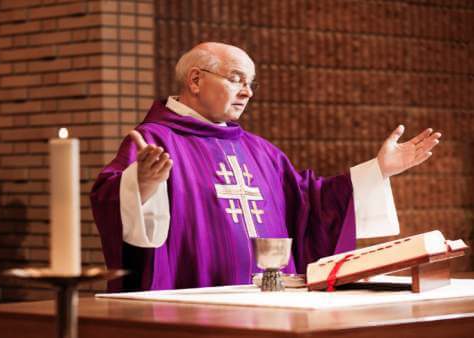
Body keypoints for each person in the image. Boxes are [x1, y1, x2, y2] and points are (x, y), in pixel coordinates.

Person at [90, 42, 441, 292]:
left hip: (271, 305)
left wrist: (377, 171)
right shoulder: (156, 140)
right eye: (237, 79)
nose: (248, 92)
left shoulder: (261, 151)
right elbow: (109, 197)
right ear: (195, 80)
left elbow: (310, 204)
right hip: (194, 302)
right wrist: (142, 183)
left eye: (251, 83)